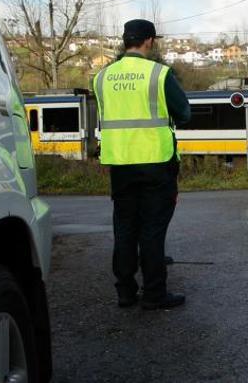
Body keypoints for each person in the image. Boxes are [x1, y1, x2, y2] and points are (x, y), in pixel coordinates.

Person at [93, 19, 191, 310]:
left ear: (126, 41)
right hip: (155, 162)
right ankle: (154, 294)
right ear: (149, 41)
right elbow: (184, 113)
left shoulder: (102, 77)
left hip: (120, 164)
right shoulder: (158, 74)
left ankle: (125, 292)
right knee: (152, 230)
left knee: (124, 228)